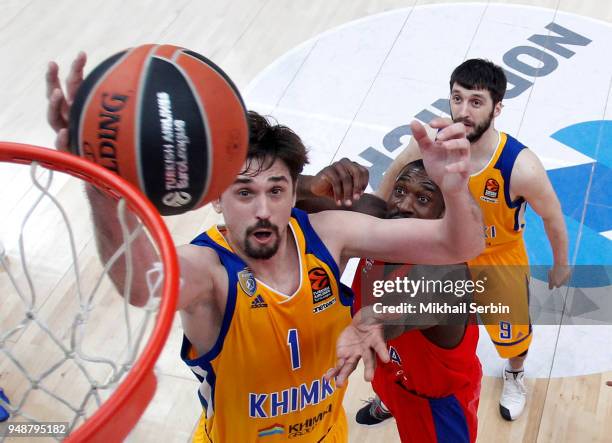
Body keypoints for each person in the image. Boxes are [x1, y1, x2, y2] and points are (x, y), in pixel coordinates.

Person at [46, 57, 484, 442]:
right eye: (243, 193)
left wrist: (454, 186)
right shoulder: (209, 271)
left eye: (276, 191)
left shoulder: (331, 235)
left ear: (296, 193)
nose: (262, 210)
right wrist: (101, 189)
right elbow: (144, 285)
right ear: (215, 197)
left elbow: (458, 245)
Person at [376, 59, 570, 421]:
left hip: (497, 257)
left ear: (497, 108)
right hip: (438, 252)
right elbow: (390, 180)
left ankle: (514, 374)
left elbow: (553, 216)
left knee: (512, 334)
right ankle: (403, 384)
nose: (463, 111)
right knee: (412, 328)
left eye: (476, 102)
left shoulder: (520, 166)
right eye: (457, 98)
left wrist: (561, 264)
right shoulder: (432, 145)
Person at [307, 160, 482, 442]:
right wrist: (314, 184)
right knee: (385, 367)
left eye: (423, 198)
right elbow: (292, 192)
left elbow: (417, 300)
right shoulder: (381, 217)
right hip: (390, 372)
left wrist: (377, 320)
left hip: (433, 405)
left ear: (444, 215)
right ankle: (387, 402)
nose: (404, 205)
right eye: (400, 190)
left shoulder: (448, 275)